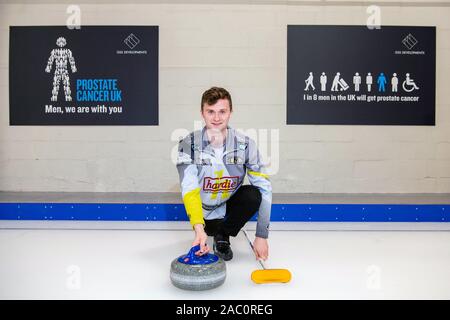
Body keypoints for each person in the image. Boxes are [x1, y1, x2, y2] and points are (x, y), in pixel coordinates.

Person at [176, 87, 272, 262]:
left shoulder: (246, 145)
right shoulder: (187, 144)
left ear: (230, 112)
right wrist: (199, 229)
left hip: (227, 212)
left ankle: (223, 235)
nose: (217, 118)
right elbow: (189, 188)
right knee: (200, 214)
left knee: (253, 194)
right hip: (203, 216)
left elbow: (264, 189)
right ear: (202, 113)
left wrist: (261, 235)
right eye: (210, 111)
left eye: (222, 111)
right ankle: (208, 231)